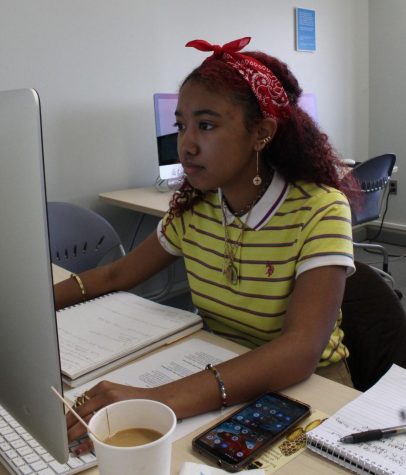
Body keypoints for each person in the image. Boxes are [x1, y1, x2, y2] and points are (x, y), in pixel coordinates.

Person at [55, 37, 358, 454]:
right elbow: (115, 274)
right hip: (219, 367)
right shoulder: (195, 210)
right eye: (181, 125)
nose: (187, 143)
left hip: (310, 388)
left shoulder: (320, 209)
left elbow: (299, 350)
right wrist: (30, 311)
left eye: (207, 125)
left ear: (261, 134)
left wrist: (159, 401)